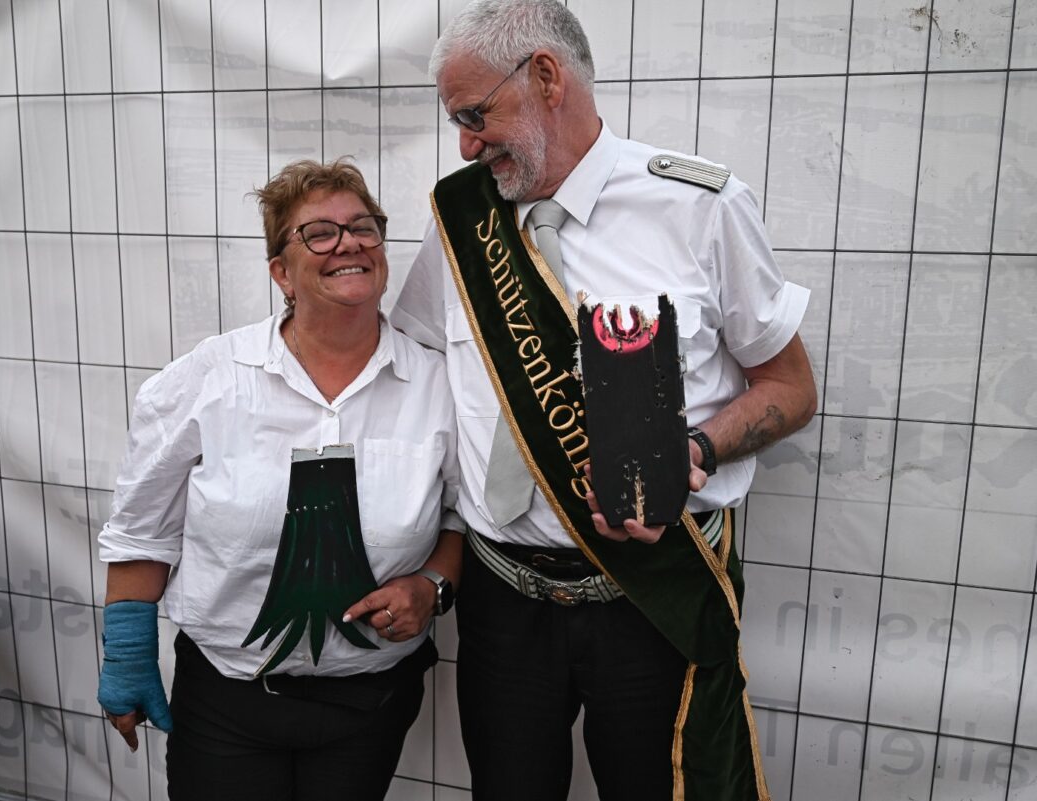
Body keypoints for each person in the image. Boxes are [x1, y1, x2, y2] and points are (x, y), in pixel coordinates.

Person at [390, 1, 817, 799]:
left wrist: (694, 451)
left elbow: (790, 388)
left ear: (547, 77)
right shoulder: (461, 218)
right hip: (502, 601)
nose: (466, 144)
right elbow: (415, 370)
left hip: (651, 595)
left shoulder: (702, 206)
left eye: (475, 116)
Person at [96, 158, 463, 801]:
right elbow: (142, 528)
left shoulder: (441, 386)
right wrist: (127, 655)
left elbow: (462, 514)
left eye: (363, 227)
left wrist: (431, 585)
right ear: (281, 273)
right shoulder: (208, 379)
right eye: (319, 233)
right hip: (227, 704)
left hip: (370, 705)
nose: (348, 243)